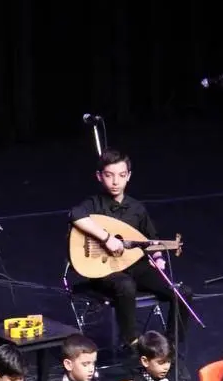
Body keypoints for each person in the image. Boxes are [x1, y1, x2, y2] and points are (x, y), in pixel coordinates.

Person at [68, 148, 189, 353]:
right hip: (104, 271)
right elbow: (75, 215)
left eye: (121, 175)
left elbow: (150, 239)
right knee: (125, 285)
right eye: (109, 175)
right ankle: (133, 343)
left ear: (129, 176)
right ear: (99, 176)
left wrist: (158, 257)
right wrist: (107, 238)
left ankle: (170, 348)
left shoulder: (137, 208)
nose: (116, 181)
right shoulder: (93, 204)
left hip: (135, 266)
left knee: (183, 293)